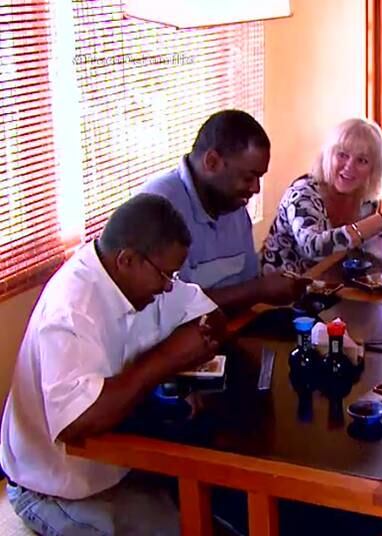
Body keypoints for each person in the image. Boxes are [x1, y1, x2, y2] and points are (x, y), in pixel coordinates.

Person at [1, 194, 226, 535]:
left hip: (120, 466)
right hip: (55, 486)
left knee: (220, 512)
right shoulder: (72, 309)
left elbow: (208, 313)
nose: (169, 286)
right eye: (165, 274)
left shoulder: (139, 282)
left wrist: (187, 370)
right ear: (127, 260)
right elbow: (77, 424)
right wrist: (166, 360)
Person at [143, 109, 307, 311]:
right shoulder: (158, 207)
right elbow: (169, 310)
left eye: (259, 178)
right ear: (212, 162)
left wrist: (268, 289)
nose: (255, 188)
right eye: (248, 177)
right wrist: (258, 290)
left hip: (231, 330)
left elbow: (247, 282)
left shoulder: (233, 204)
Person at [260, 118, 382, 275]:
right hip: (280, 291)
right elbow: (314, 247)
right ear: (328, 155)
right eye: (342, 155)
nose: (349, 167)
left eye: (362, 160)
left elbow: (354, 250)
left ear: (373, 169)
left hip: (328, 283)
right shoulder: (303, 194)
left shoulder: (367, 201)